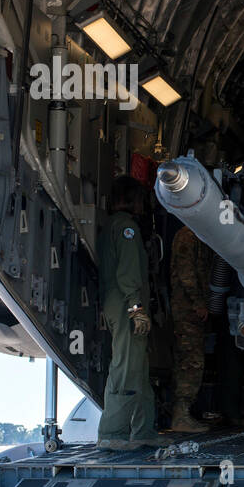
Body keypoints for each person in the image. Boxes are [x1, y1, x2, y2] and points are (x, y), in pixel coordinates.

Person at [97, 176, 158, 451]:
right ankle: (113, 433)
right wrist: (136, 308)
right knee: (125, 367)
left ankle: (144, 431)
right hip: (125, 305)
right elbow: (128, 271)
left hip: (116, 303)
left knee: (138, 369)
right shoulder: (127, 228)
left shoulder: (111, 225)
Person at [169, 225, 214, 433]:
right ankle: (181, 415)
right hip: (187, 310)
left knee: (191, 358)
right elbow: (186, 272)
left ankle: (184, 413)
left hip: (189, 310)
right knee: (191, 361)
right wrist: (198, 302)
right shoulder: (188, 235)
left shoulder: (197, 234)